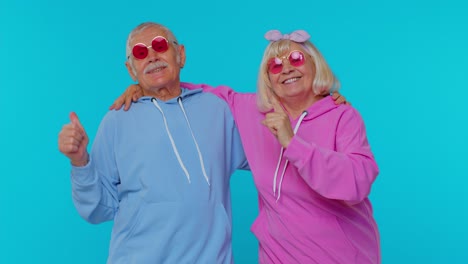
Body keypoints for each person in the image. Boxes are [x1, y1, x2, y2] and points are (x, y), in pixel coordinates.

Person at [113, 29, 380, 263]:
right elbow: (202, 94)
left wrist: (292, 143)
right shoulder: (253, 111)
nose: (286, 68)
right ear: (268, 78)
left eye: (296, 59)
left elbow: (357, 182)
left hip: (342, 255)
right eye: (274, 65)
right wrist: (144, 88)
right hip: (278, 256)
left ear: (315, 65)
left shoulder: (342, 115)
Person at [58, 22, 249, 263]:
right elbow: (97, 209)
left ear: (180, 55)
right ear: (131, 70)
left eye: (159, 45)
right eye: (140, 52)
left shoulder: (217, 110)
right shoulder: (117, 121)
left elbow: (266, 157)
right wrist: (80, 160)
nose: (151, 56)